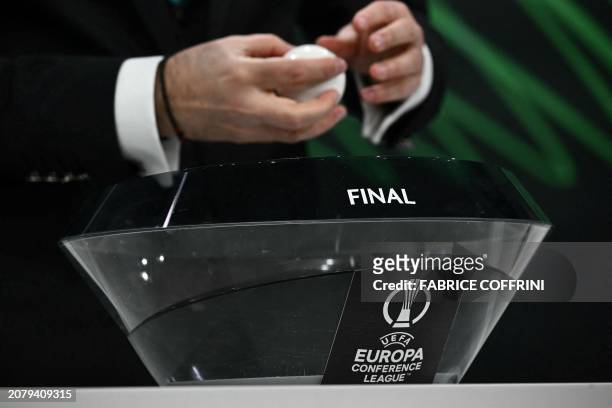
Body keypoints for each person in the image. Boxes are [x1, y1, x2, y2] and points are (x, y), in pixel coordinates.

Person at [0, 0, 445, 385]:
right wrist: (157, 96)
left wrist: (399, 58)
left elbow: (376, 19)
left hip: (273, 282)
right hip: (42, 296)